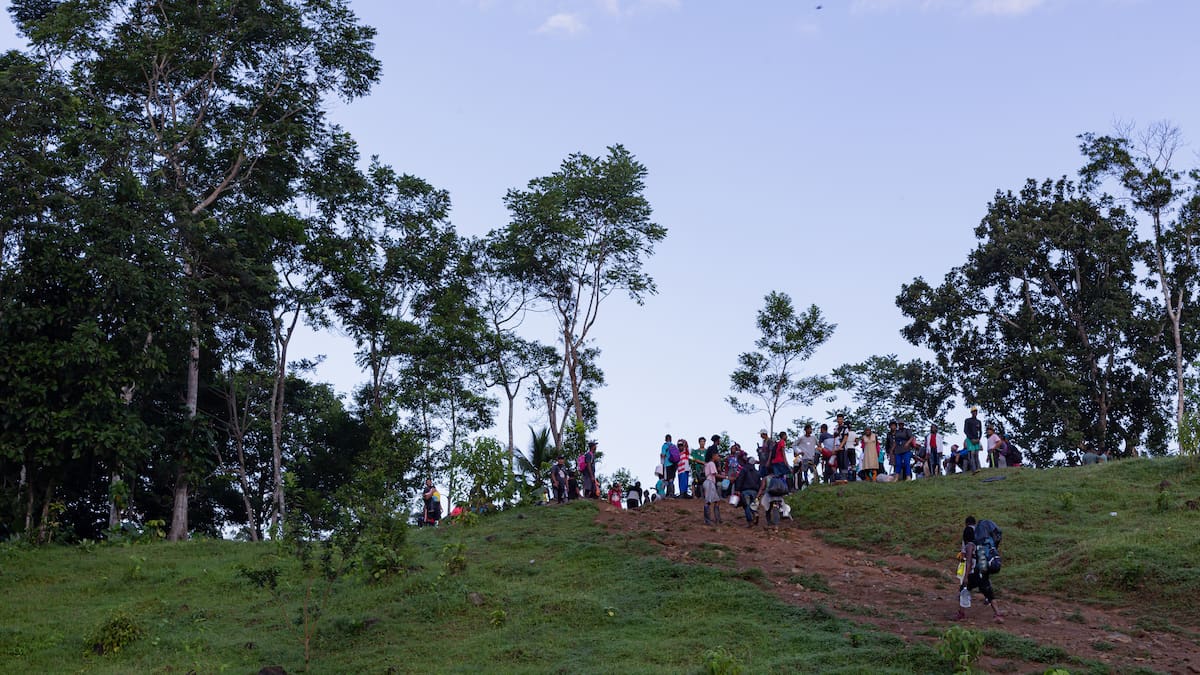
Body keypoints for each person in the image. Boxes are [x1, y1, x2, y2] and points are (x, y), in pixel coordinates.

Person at [957, 516, 1003, 622]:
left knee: (963, 590)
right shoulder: (981, 544)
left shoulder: (970, 546)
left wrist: (965, 577)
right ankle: (998, 614)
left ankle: (961, 613)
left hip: (973, 573)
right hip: (983, 570)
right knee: (989, 593)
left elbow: (968, 563)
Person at [733, 458, 761, 527]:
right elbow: (759, 483)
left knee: (746, 506)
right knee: (753, 506)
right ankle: (755, 514)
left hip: (745, 491)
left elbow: (740, 480)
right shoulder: (757, 472)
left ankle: (750, 521)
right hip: (754, 492)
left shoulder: (744, 470)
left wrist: (737, 490)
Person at [703, 447, 724, 525]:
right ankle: (707, 520)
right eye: (717, 455)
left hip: (710, 483)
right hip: (710, 483)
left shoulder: (709, 463)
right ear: (713, 455)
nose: (718, 457)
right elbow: (715, 474)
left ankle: (717, 519)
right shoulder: (711, 463)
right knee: (708, 501)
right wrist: (727, 477)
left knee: (717, 501)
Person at [793, 424, 818, 488]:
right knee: (805, 471)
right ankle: (806, 484)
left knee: (814, 471)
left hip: (812, 457)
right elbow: (794, 445)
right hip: (804, 458)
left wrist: (817, 451)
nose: (810, 430)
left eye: (811, 429)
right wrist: (799, 452)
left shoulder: (814, 438)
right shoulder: (801, 438)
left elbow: (818, 445)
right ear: (806, 430)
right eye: (809, 429)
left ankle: (814, 484)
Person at [964, 407, 982, 471]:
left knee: (976, 454)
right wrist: (971, 439)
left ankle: (978, 468)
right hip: (970, 439)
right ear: (971, 412)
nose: (975, 413)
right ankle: (973, 469)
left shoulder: (978, 422)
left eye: (976, 411)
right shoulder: (968, 420)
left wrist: (979, 439)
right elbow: (965, 430)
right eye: (973, 411)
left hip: (976, 439)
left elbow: (980, 431)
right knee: (971, 454)